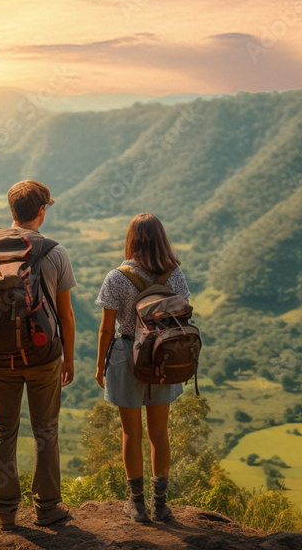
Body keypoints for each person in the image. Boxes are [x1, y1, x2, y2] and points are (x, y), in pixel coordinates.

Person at [0, 180, 76, 530]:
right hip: (44, 355)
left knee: (3, 430)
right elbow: (66, 313)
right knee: (45, 430)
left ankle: (4, 511)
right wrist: (69, 359)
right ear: (41, 212)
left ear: (12, 210)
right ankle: (46, 508)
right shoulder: (54, 252)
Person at [94, 213, 189, 523]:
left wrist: (100, 365)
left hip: (125, 355)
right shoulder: (175, 274)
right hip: (163, 357)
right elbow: (184, 315)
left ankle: (137, 505)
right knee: (159, 435)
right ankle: (161, 505)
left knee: (130, 435)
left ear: (131, 239)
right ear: (161, 238)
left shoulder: (117, 277)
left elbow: (107, 329)